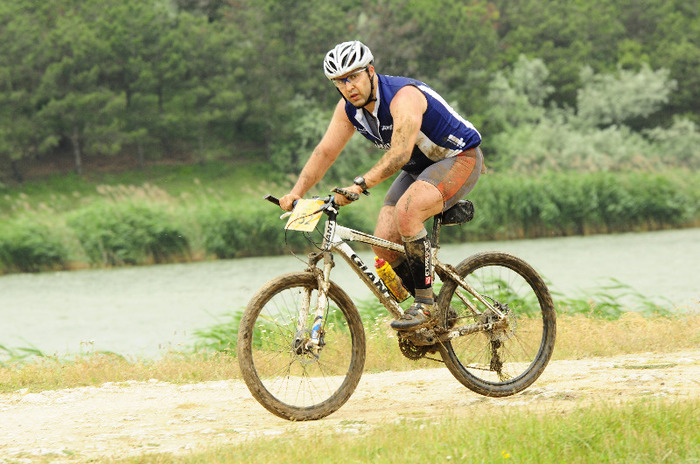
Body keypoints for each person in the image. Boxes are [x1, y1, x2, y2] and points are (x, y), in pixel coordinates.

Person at [280, 40, 484, 330]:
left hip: (459, 157)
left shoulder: (403, 96)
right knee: (385, 244)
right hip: (419, 168)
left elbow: (400, 153)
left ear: (370, 72)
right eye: (340, 81)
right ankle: (438, 315)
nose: (349, 86)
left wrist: (360, 185)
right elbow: (325, 152)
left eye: (354, 76)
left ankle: (426, 306)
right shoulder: (349, 109)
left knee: (407, 212)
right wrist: (296, 192)